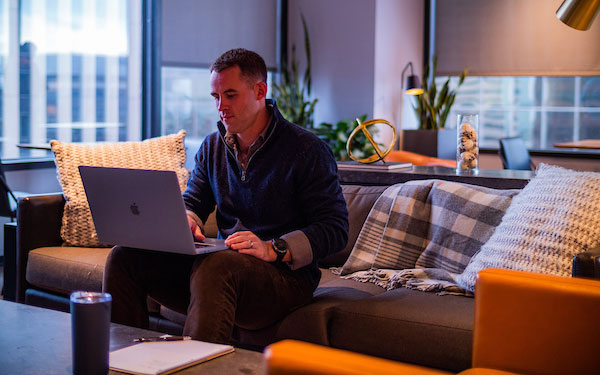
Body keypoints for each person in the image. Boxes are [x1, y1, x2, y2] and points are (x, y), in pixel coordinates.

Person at [103, 48, 349, 344]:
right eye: (215, 97)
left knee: (218, 265)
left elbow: (335, 229)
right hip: (219, 272)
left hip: (284, 279)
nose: (221, 106)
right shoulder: (213, 148)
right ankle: (123, 361)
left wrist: (274, 248)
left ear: (260, 91)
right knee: (124, 257)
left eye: (230, 95)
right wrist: (186, 220)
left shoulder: (307, 151)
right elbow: (193, 200)